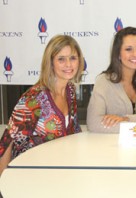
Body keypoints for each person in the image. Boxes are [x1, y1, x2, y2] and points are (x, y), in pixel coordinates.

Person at [0, 35, 84, 176]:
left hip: (59, 169)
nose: (69, 64)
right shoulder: (34, 99)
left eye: (73, 58)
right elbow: (8, 141)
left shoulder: (70, 90)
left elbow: (73, 131)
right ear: (50, 63)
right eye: (61, 59)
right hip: (29, 172)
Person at [87, 27, 136, 133]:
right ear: (118, 53)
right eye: (128, 49)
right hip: (114, 146)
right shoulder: (104, 81)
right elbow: (94, 123)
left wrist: (126, 119)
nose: (135, 54)